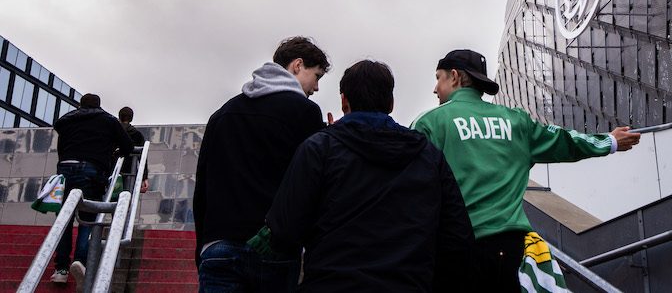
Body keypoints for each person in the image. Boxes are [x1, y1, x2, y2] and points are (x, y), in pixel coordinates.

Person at [411, 49, 641, 293]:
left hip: (455, 248)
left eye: (438, 78)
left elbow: (409, 189)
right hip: (510, 250)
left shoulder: (429, 123)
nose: (435, 88)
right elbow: (563, 141)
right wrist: (609, 141)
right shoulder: (516, 121)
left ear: (455, 76)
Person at [257, 60, 473, 292]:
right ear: (390, 103)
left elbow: (284, 231)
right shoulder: (428, 156)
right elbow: (458, 239)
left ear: (344, 101)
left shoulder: (319, 149)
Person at [193, 36, 329, 292]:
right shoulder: (305, 112)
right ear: (297, 65)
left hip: (217, 246)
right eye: (317, 76)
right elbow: (309, 185)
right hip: (273, 249)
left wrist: (202, 247)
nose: (316, 88)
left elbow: (202, 188)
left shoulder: (222, 114)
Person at [51, 93, 135, 286]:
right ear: (99, 105)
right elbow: (128, 146)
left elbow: (61, 147)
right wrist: (113, 152)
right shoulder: (107, 121)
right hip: (91, 170)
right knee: (87, 219)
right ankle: (80, 262)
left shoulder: (68, 121)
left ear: (80, 105)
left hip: (65, 169)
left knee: (64, 219)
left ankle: (61, 269)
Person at [117, 106, 148, 194]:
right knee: (127, 194)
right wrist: (144, 177)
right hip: (129, 170)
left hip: (112, 168)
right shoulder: (137, 134)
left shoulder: (113, 130)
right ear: (131, 118)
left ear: (119, 116)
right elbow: (142, 157)